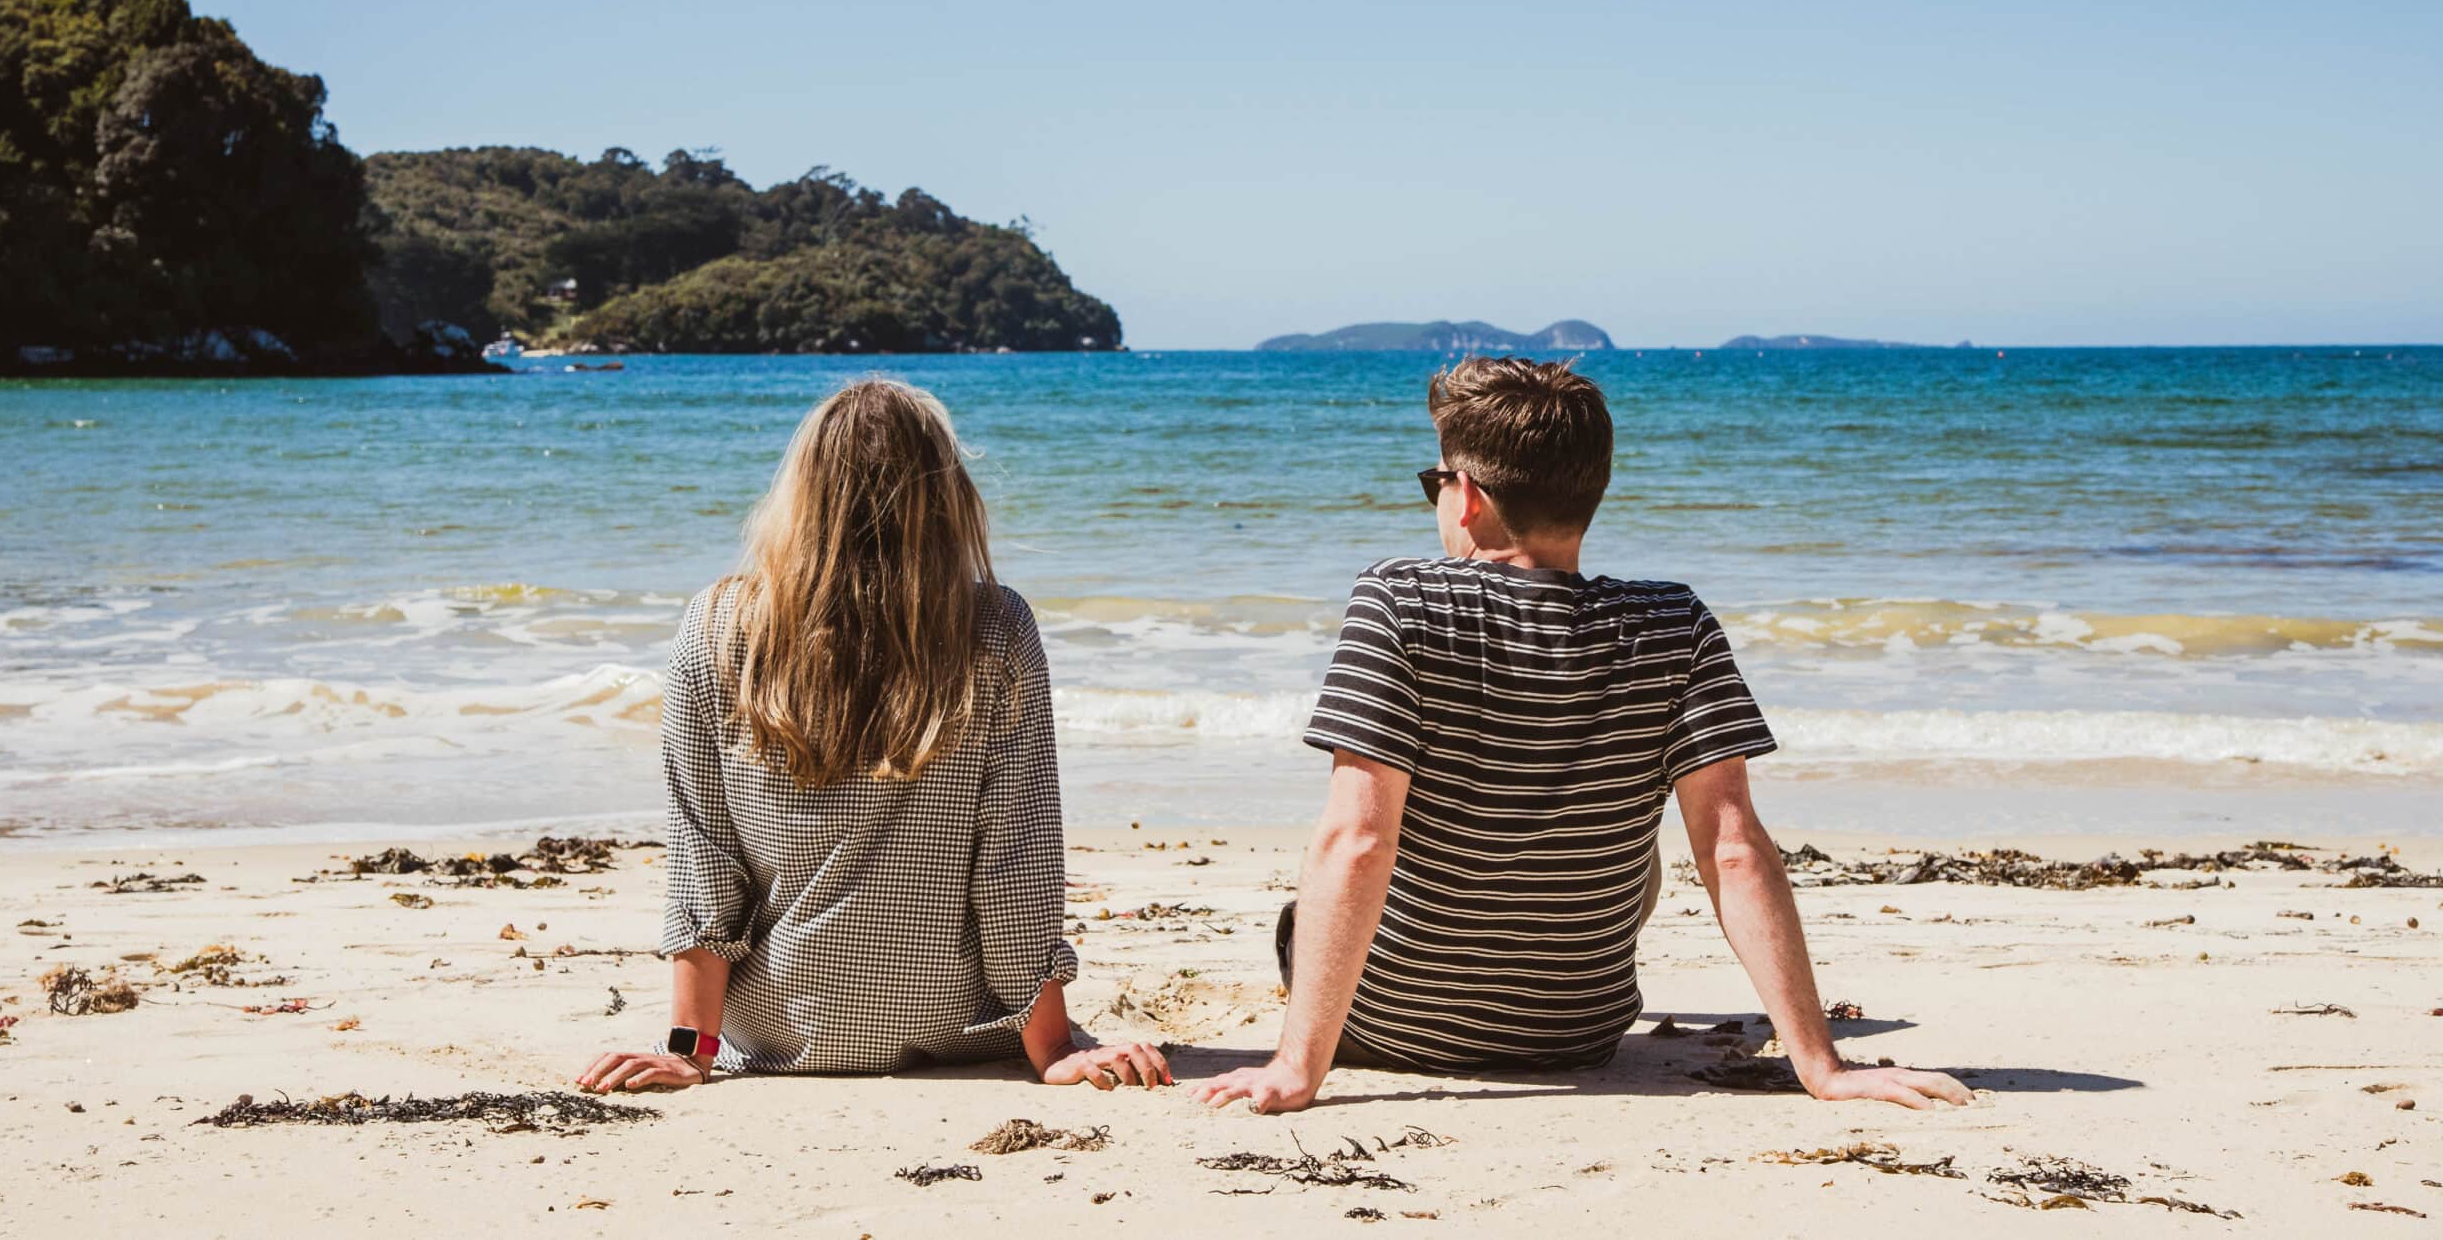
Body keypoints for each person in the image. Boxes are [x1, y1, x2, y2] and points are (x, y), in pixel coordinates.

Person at [1193, 357, 1970, 1115]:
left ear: (1466, 499)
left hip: (1388, 1025)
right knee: (1655, 839)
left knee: (1318, 888)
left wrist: (1296, 1066)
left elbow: (1358, 842)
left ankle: (1324, 1025)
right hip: (1575, 1030)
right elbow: (1733, 848)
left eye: (1436, 481)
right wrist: (1822, 1063)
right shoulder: (1675, 622)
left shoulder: (1398, 599)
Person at [578, 378, 1170, 1095]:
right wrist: (1053, 1048)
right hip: (953, 1024)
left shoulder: (713, 628)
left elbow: (707, 864)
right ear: (946, 497)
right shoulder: (996, 628)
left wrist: (690, 1048)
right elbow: (1015, 863)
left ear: (799, 494)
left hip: (778, 1029)